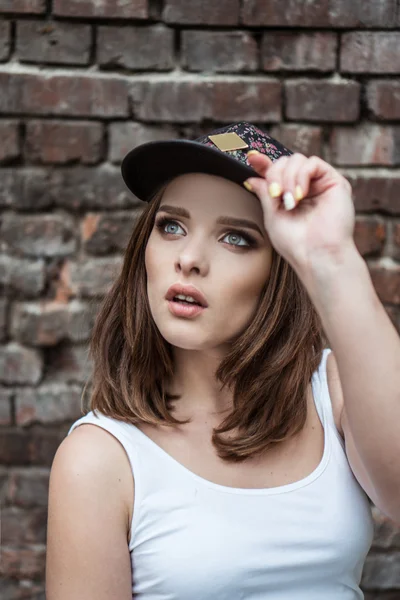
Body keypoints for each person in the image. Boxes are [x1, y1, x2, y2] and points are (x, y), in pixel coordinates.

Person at [45, 122, 400, 599]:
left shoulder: (331, 391)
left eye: (236, 238)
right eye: (171, 226)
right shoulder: (99, 459)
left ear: (279, 272)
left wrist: (330, 256)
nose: (189, 258)